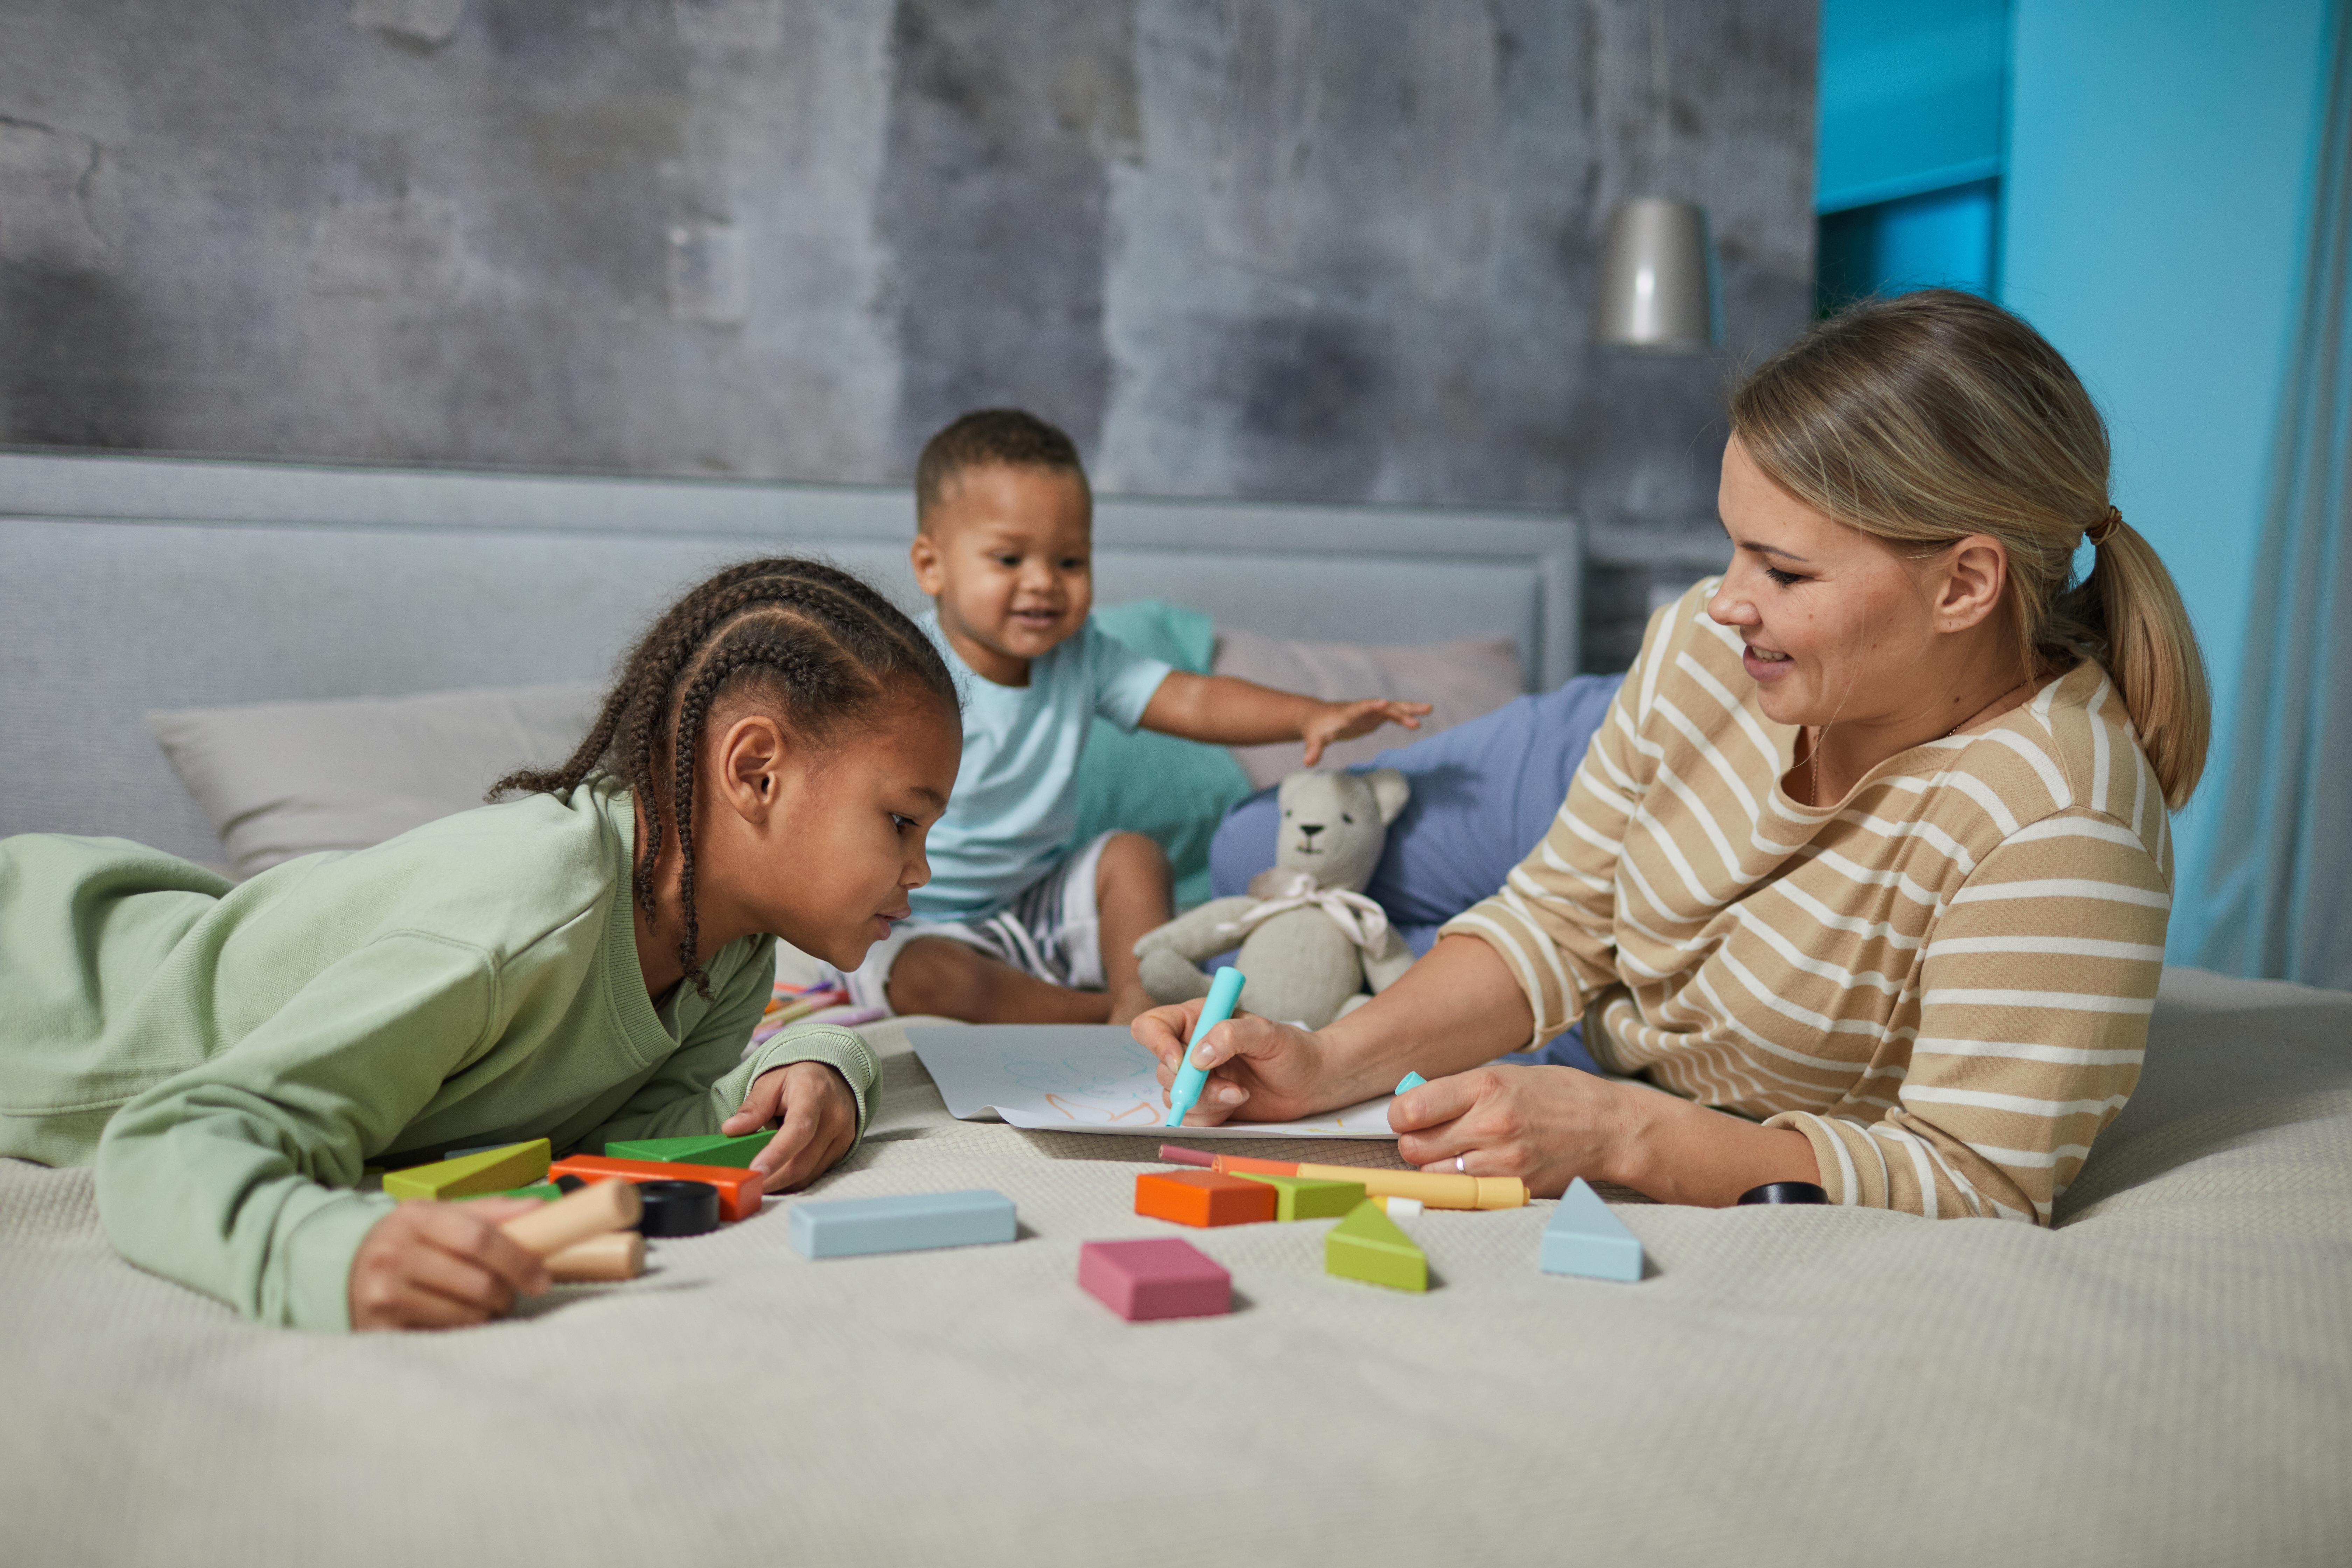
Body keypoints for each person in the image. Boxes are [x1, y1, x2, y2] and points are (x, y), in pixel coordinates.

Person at [1137, 289, 2210, 1224]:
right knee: (1253, 855)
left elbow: (1979, 1182)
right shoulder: (1711, 643)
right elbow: (1560, 920)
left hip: (1737, 832)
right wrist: (1325, 1064)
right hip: (1676, 740)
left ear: (1965, 586)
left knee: (1314, 920)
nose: (1722, 600)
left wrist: (1627, 1136)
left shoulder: (2056, 827)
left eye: (1785, 570)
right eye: (1730, 543)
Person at [0, 558, 962, 1329]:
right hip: (47, 989)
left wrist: (822, 1061)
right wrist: (327, 1251)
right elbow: (171, 1137)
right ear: (757, 772)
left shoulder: (730, 950)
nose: (919, 873)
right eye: (900, 824)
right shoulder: (527, 920)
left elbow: (637, 1135)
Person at [848, 408, 1429, 1027]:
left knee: (1132, 857)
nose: (1044, 583)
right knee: (931, 981)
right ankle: (1110, 1011)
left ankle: (1142, 989)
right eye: (1010, 560)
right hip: (917, 912)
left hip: (1038, 904)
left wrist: (1307, 715)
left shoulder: (1083, 656)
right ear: (932, 565)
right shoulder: (902, 670)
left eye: (1070, 561)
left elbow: (1195, 700)